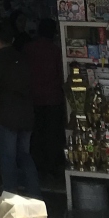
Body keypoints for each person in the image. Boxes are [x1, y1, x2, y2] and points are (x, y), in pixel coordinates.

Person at [0, 19, 40, 196]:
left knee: (7, 158)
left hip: (4, 118)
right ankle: (35, 195)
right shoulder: (23, 59)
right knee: (24, 156)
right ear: (12, 39)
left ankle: (11, 197)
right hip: (26, 116)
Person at [24, 18, 66, 178]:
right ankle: (52, 167)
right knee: (53, 135)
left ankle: (37, 167)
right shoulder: (56, 50)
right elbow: (61, 74)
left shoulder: (29, 49)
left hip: (33, 99)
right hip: (53, 99)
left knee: (36, 134)